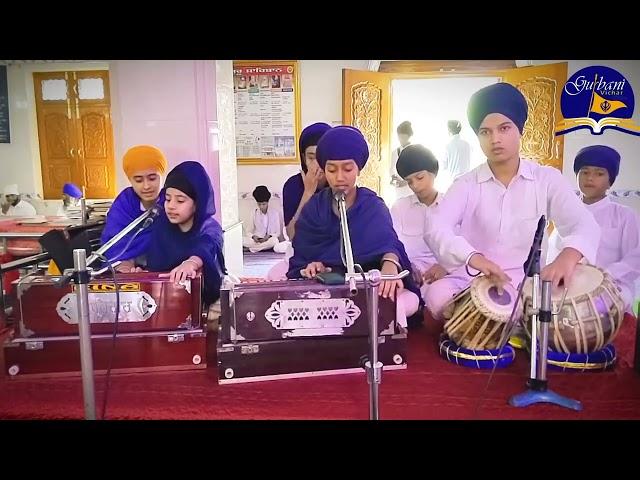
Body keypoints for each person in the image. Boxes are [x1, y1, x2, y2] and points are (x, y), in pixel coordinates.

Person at [422, 82, 600, 322]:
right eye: (485, 132)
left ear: (520, 130)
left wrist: (567, 257)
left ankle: (499, 322)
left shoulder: (546, 179)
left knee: (570, 301)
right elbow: (435, 228)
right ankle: (501, 323)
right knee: (437, 296)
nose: (495, 139)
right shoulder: (466, 183)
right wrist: (475, 258)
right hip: (473, 279)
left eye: (504, 128)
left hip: (524, 283)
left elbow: (584, 225)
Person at [287, 126, 420, 325]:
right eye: (332, 169)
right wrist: (312, 267)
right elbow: (303, 258)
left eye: (348, 169)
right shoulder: (314, 208)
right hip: (328, 291)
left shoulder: (372, 205)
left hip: (372, 286)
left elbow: (390, 246)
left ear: (358, 168)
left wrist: (389, 267)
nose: (339, 177)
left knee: (399, 303)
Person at [547, 145, 640, 312]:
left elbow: (635, 259)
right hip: (569, 285)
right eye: (584, 172)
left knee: (592, 308)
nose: (590, 178)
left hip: (613, 286)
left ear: (610, 180)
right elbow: (553, 254)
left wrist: (604, 276)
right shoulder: (566, 213)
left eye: (599, 173)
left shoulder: (624, 215)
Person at [145, 161, 226, 306]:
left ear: (197, 203)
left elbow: (208, 244)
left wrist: (191, 262)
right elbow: (155, 268)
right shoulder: (161, 226)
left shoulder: (209, 227)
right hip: (164, 303)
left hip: (206, 303)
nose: (171, 206)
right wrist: (144, 274)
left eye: (180, 200)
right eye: (168, 199)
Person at [390, 144, 447, 294]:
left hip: (446, 276)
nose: (415, 185)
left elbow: (463, 247)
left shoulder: (452, 204)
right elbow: (393, 245)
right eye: (409, 182)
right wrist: (408, 266)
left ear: (433, 173)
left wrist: (445, 266)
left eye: (419, 178)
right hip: (409, 277)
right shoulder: (400, 208)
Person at [100, 145, 167, 270]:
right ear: (130, 180)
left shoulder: (171, 201)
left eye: (152, 178)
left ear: (162, 176)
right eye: (138, 180)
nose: (146, 186)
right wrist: (123, 264)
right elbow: (113, 244)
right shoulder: (124, 203)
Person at [242, 185, 288, 253]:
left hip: (269, 239)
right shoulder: (254, 212)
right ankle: (261, 248)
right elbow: (248, 231)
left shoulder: (274, 213)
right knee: (242, 240)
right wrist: (253, 236)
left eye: (263, 204)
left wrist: (268, 236)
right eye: (259, 204)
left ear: (267, 202)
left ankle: (251, 249)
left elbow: (277, 232)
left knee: (274, 241)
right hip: (256, 240)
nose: (261, 206)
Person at [389, 121, 414, 199]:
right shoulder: (395, 152)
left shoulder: (415, 152)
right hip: (399, 189)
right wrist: (393, 178)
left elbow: (418, 172)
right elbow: (391, 168)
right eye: (399, 137)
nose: (401, 139)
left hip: (411, 188)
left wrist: (406, 182)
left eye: (403, 137)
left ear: (409, 136)